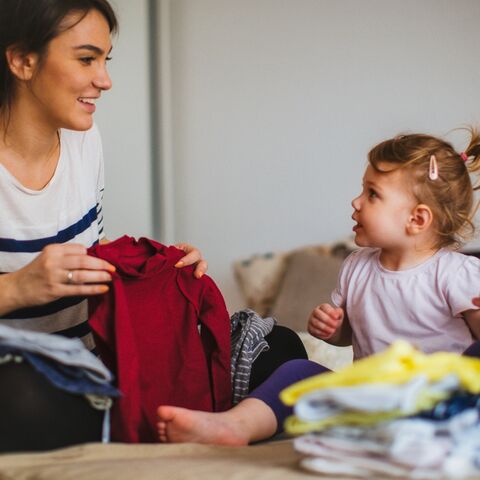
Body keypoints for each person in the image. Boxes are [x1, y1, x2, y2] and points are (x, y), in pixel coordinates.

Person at [0, 0, 306, 452]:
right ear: (23, 60)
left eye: (105, 60)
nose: (104, 80)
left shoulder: (85, 140)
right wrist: (19, 289)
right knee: (19, 399)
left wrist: (157, 266)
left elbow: (90, 248)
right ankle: (155, 419)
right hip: (27, 370)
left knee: (280, 348)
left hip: (97, 354)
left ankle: (148, 418)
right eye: (87, 59)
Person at [157, 128, 480, 446]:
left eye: (372, 194)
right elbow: (349, 336)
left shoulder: (455, 273)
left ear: (418, 220)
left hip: (441, 405)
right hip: (369, 401)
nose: (355, 201)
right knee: (297, 370)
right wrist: (333, 329)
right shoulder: (356, 266)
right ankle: (235, 425)